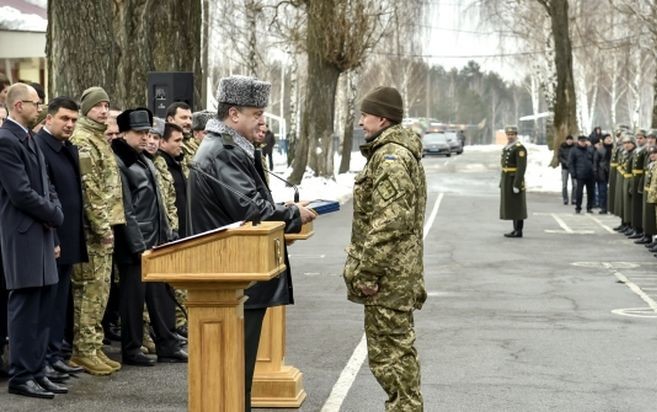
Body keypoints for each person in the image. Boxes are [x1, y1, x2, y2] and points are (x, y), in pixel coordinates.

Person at [188, 75, 316, 411]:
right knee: (233, 371)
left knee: (237, 372)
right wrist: (292, 214)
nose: (262, 120)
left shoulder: (231, 148)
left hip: (237, 271)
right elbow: (252, 209)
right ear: (233, 114)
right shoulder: (222, 152)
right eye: (256, 113)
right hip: (230, 273)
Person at [343, 86, 427, 411]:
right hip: (393, 278)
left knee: (392, 356)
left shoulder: (391, 159)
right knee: (391, 355)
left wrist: (367, 272)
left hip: (388, 281)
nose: (361, 122)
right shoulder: (388, 153)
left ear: (382, 118)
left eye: (365, 115)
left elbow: (388, 223)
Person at [0, 83, 66, 398]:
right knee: (24, 308)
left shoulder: (29, 138)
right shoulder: (5, 141)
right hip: (23, 234)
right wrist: (53, 214)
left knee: (42, 308)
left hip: (41, 233)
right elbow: (20, 193)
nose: (39, 108)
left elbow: (46, 184)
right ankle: (21, 375)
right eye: (35, 103)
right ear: (17, 106)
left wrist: (53, 218)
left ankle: (38, 371)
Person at [111, 108, 187, 366]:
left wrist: (166, 233)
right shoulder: (120, 161)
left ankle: (168, 343)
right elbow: (126, 208)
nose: (145, 137)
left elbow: (158, 201)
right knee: (133, 299)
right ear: (123, 133)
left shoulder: (143, 159)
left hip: (155, 238)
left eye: (147, 132)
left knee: (160, 294)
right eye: (139, 133)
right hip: (136, 243)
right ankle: (131, 349)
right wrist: (137, 245)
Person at [69, 86, 125, 375]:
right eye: (98, 106)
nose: (104, 110)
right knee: (89, 291)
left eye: (106, 105)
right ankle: (83, 350)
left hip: (105, 226)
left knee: (101, 290)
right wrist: (102, 227)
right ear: (86, 109)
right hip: (92, 231)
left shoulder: (98, 137)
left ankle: (94, 346)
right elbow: (90, 189)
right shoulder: (83, 140)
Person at [34, 97, 88, 380]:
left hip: (69, 236)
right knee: (46, 304)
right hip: (50, 238)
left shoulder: (67, 148)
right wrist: (53, 236)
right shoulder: (39, 147)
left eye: (74, 120)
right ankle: (41, 359)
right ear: (48, 118)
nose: (70, 125)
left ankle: (55, 355)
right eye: (65, 119)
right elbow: (43, 196)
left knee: (60, 303)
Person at [500, 125, 527, 237]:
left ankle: (519, 230)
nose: (510, 136)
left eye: (512, 134)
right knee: (511, 205)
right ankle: (515, 228)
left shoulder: (519, 148)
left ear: (516, 135)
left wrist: (517, 183)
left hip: (514, 178)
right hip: (507, 178)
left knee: (517, 205)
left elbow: (521, 168)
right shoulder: (508, 147)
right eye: (508, 134)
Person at [629, 130, 648, 240]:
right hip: (635, 178)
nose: (638, 140)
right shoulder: (637, 150)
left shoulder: (645, 151)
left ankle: (641, 229)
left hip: (641, 179)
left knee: (640, 207)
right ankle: (636, 228)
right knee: (635, 205)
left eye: (641, 138)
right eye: (637, 138)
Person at [569, 135, 595, 214]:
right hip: (580, 174)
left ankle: (589, 207)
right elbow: (571, 163)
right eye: (582, 141)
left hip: (590, 174)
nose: (583, 143)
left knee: (590, 192)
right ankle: (578, 207)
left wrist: (594, 170)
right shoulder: (574, 150)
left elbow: (594, 160)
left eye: (584, 141)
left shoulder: (590, 150)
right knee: (579, 192)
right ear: (578, 142)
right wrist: (573, 173)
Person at [593, 134, 612, 214]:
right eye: (607, 138)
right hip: (602, 172)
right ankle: (603, 207)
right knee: (602, 191)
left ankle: (610, 207)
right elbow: (595, 162)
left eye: (609, 138)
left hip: (611, 172)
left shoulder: (614, 149)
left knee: (611, 192)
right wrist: (595, 172)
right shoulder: (600, 150)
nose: (608, 140)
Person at [558, 135, 576, 205]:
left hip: (573, 167)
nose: (569, 141)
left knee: (575, 184)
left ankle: (574, 199)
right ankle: (565, 199)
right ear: (566, 140)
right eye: (568, 140)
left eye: (570, 140)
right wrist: (565, 162)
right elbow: (560, 157)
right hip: (564, 167)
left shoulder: (574, 147)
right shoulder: (562, 147)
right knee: (564, 184)